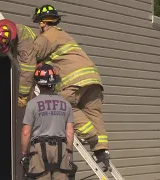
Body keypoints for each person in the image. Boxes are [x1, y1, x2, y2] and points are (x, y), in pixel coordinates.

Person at [31, 4, 110, 168]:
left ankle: (90, 135)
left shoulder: (47, 36)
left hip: (74, 80)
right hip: (94, 79)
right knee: (94, 113)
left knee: (63, 105)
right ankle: (102, 149)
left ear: (42, 23)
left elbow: (32, 54)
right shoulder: (65, 35)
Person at [20, 64, 77, 180]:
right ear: (54, 84)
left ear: (37, 84)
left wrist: (24, 154)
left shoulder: (32, 104)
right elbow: (70, 133)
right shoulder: (66, 104)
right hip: (61, 148)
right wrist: (69, 152)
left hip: (39, 150)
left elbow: (26, 132)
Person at [0, 19, 37, 106]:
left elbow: (27, 70)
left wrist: (23, 95)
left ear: (10, 40)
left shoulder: (25, 41)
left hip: (33, 56)